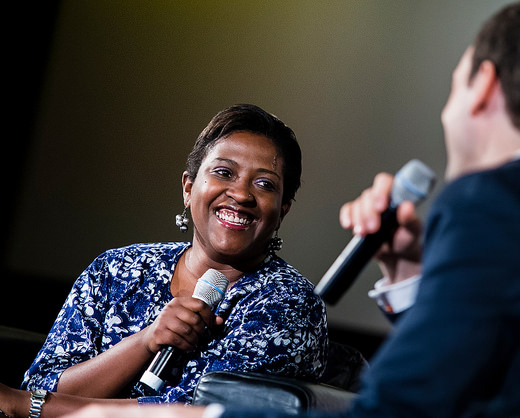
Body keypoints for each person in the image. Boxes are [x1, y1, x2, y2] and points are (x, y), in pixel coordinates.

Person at [58, 1, 520, 417]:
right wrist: (409, 273)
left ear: (482, 86)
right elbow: (496, 353)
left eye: (455, 83)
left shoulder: (489, 199)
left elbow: (412, 395)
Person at [0, 104, 328, 417]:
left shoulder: (288, 303)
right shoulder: (116, 270)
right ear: (188, 188)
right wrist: (145, 341)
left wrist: (24, 405)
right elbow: (42, 385)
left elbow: (196, 413)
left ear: (282, 210)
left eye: (264, 184)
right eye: (224, 172)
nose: (241, 194)